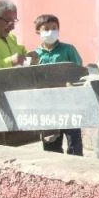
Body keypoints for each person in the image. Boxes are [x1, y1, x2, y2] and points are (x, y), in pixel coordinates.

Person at [34, 14, 84, 156]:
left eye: (54, 28)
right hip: (46, 105)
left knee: (74, 141)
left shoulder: (68, 50)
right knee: (51, 145)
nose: (51, 31)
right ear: (38, 31)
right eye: (46, 28)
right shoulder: (35, 55)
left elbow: (79, 71)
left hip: (68, 102)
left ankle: (77, 169)